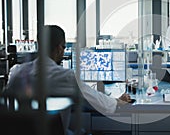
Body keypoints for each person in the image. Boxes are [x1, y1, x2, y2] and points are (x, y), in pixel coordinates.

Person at [3, 25, 131, 134]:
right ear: (59, 48)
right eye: (64, 47)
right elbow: (96, 100)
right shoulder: (65, 76)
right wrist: (117, 102)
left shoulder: (16, 72)